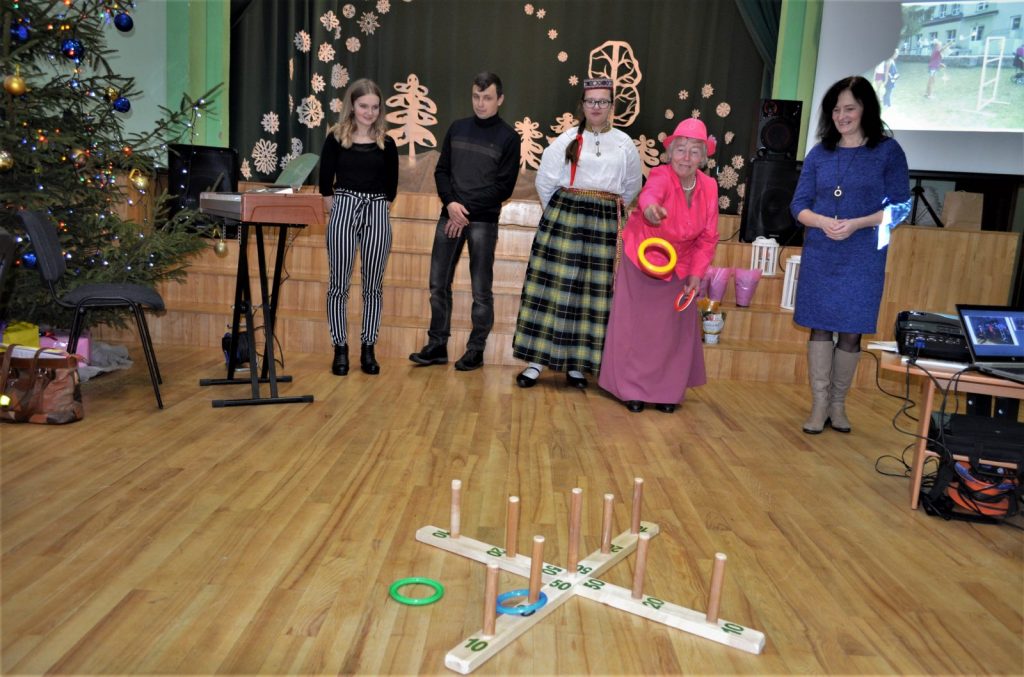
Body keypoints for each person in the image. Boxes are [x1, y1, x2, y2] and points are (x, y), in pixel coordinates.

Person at [790, 75, 910, 434]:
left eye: (850, 109)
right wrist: (822, 221)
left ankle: (838, 404)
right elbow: (798, 205)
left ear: (865, 110)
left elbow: (901, 207)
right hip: (822, 252)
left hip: (863, 255)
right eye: (836, 110)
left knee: (851, 331)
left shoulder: (887, 151)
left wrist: (858, 223)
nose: (842, 116)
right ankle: (819, 405)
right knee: (820, 326)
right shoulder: (819, 154)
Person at [513, 77, 643, 389]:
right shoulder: (566, 140)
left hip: (604, 223)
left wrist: (607, 210)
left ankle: (577, 365)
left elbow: (631, 186)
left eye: (603, 101)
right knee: (554, 290)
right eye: (590, 101)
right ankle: (536, 363)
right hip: (566, 218)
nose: (596, 106)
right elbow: (545, 182)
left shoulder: (624, 143)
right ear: (582, 105)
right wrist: (563, 212)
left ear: (612, 106)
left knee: (591, 295)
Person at [598, 119, 718, 413]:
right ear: (670, 152)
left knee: (673, 331)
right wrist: (650, 210)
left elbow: (708, 237)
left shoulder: (709, 186)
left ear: (703, 158)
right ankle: (631, 390)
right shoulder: (661, 174)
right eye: (680, 150)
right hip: (644, 256)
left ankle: (667, 392)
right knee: (638, 327)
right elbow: (651, 195)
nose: (686, 158)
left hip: (681, 264)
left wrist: (696, 274)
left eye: (694, 152)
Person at [408, 72, 520, 371]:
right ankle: (437, 345)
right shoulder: (457, 128)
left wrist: (463, 209)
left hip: (482, 221)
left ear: (500, 99)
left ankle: (476, 350)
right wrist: (451, 204)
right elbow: (441, 171)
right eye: (476, 97)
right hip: (450, 214)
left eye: (487, 98)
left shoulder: (509, 138)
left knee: (481, 290)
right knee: (437, 284)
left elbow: (503, 188)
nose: (480, 103)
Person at [319, 78, 399, 376]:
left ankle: (368, 348)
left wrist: (376, 207)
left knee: (373, 286)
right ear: (352, 106)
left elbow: (391, 188)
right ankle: (340, 349)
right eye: (364, 106)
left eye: (375, 107)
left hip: (377, 210)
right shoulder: (335, 138)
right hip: (343, 208)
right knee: (338, 285)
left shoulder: (387, 144)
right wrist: (341, 208)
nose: (369, 112)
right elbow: (325, 184)